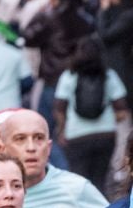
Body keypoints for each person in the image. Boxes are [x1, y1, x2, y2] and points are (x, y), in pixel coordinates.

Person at [51, 36, 128, 191]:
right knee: (100, 181)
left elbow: (59, 107)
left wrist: (61, 129)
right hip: (105, 134)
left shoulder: (69, 76)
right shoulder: (108, 75)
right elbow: (121, 109)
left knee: (79, 181)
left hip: (76, 136)